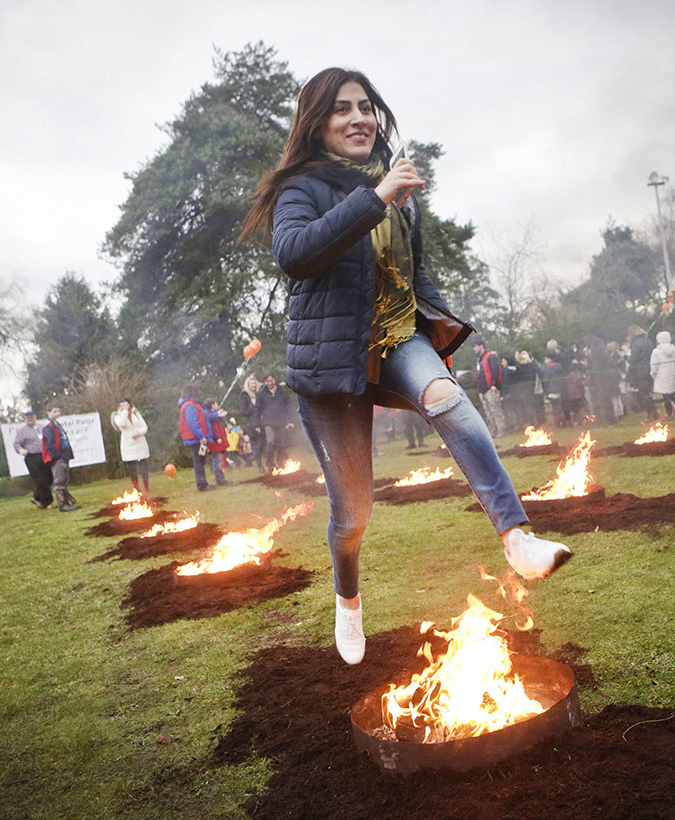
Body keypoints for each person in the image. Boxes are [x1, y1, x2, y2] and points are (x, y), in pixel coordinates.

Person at [241, 66, 570, 665]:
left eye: (365, 106)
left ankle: (517, 538)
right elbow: (294, 254)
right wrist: (377, 196)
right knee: (353, 514)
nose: (358, 118)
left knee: (447, 394)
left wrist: (435, 315)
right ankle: (348, 602)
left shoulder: (395, 186)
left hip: (397, 338)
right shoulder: (305, 187)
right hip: (332, 364)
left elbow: (412, 269)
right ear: (318, 124)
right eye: (341, 109)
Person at [41, 405, 80, 511]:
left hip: (64, 454)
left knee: (64, 478)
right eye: (54, 411)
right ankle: (62, 504)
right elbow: (50, 443)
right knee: (59, 479)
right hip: (58, 456)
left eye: (58, 411)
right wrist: (55, 456)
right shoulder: (48, 426)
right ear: (48, 412)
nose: (57, 413)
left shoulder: (57, 424)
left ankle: (66, 502)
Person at [14, 411, 54, 509]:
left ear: (35, 417)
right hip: (32, 457)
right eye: (27, 417)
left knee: (49, 478)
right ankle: (47, 502)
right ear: (25, 419)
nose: (30, 418)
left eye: (31, 416)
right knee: (41, 479)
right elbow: (16, 444)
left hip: (44, 455)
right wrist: (20, 450)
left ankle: (36, 497)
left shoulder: (41, 427)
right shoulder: (22, 431)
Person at [110, 398, 150, 494]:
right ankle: (137, 489)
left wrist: (139, 433)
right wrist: (124, 412)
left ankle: (146, 487)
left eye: (126, 405)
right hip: (128, 446)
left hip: (140, 443)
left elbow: (144, 426)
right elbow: (122, 424)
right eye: (122, 405)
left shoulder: (135, 413)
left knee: (143, 466)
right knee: (132, 468)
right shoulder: (117, 416)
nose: (125, 407)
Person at [258, 374, 297, 470]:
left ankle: (280, 464)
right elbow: (257, 409)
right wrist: (257, 424)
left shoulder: (282, 391)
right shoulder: (261, 393)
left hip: (281, 421)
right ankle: (270, 465)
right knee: (270, 442)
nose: (270, 383)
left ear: (274, 380)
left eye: (271, 380)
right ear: (265, 382)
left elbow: (288, 407)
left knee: (280, 444)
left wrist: (290, 421)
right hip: (268, 422)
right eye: (267, 381)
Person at [472, 339, 506, 436]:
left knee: (496, 409)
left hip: (490, 388)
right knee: (488, 412)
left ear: (481, 346)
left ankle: (501, 429)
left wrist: (494, 385)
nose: (474, 349)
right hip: (482, 390)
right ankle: (493, 430)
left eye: (475, 346)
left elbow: (495, 370)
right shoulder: (478, 359)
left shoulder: (490, 356)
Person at [626, 325, 657, 422]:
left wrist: (625, 357)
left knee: (644, 394)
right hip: (649, 369)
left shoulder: (636, 343)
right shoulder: (648, 341)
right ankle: (654, 413)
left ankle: (651, 415)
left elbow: (633, 359)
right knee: (647, 393)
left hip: (640, 371)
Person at [649, 330, 675, 418]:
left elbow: (654, 364)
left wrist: (654, 373)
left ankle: (669, 413)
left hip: (661, 375)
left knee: (665, 395)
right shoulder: (674, 350)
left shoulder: (656, 351)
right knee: (673, 392)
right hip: (671, 373)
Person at [239, 375, 266, 473]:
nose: (254, 385)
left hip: (262, 422)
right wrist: (253, 409)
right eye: (251, 383)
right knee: (257, 443)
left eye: (255, 383)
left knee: (264, 443)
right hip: (251, 423)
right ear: (248, 385)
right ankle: (259, 464)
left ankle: (260, 461)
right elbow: (243, 412)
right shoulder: (245, 396)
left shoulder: (260, 394)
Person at [204, 398, 231, 484]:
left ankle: (220, 478)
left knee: (218, 460)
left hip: (216, 440)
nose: (217, 405)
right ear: (212, 405)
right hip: (214, 441)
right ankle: (220, 480)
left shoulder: (211, 413)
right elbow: (209, 427)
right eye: (216, 404)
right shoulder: (208, 414)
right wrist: (216, 437)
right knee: (217, 461)